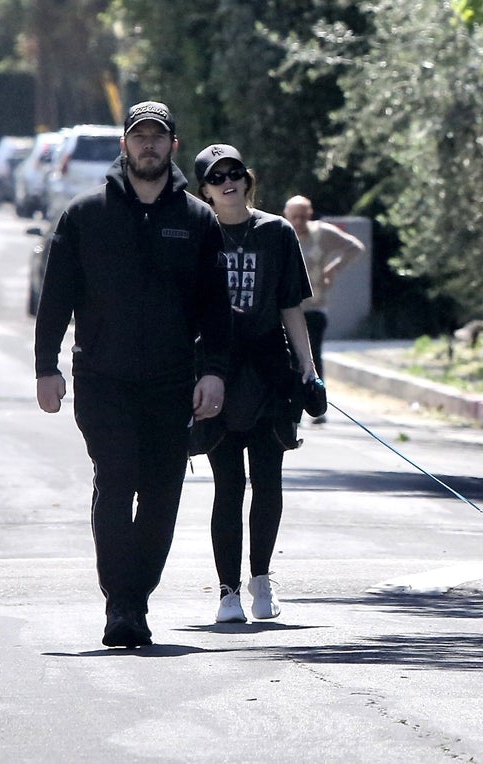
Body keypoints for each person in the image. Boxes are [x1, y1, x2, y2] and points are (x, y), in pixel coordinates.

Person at [34, 102, 232, 648]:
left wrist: (213, 372)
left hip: (173, 380)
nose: (148, 145)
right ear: (125, 145)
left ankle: (136, 595)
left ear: (172, 146)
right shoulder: (84, 215)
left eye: (158, 137)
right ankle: (121, 603)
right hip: (102, 378)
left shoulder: (197, 220)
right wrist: (45, 367)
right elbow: (55, 299)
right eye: (139, 136)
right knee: (117, 480)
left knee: (164, 491)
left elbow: (217, 308)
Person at [194, 143, 316, 624]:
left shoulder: (277, 232)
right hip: (215, 372)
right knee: (227, 485)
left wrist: (308, 370)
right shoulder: (197, 234)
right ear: (204, 189)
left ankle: (261, 581)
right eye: (216, 176)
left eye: (235, 173)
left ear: (247, 178)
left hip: (270, 372)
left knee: (268, 480)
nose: (228, 181)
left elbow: (290, 304)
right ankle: (227, 593)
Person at [283, 195, 365, 423]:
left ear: (309, 214)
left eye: (302, 216)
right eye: (294, 217)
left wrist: (334, 268)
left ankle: (316, 406)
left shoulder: (321, 234)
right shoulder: (280, 232)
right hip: (287, 308)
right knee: (288, 360)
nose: (298, 221)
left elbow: (355, 247)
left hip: (314, 307)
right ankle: (291, 408)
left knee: (312, 357)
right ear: (286, 215)